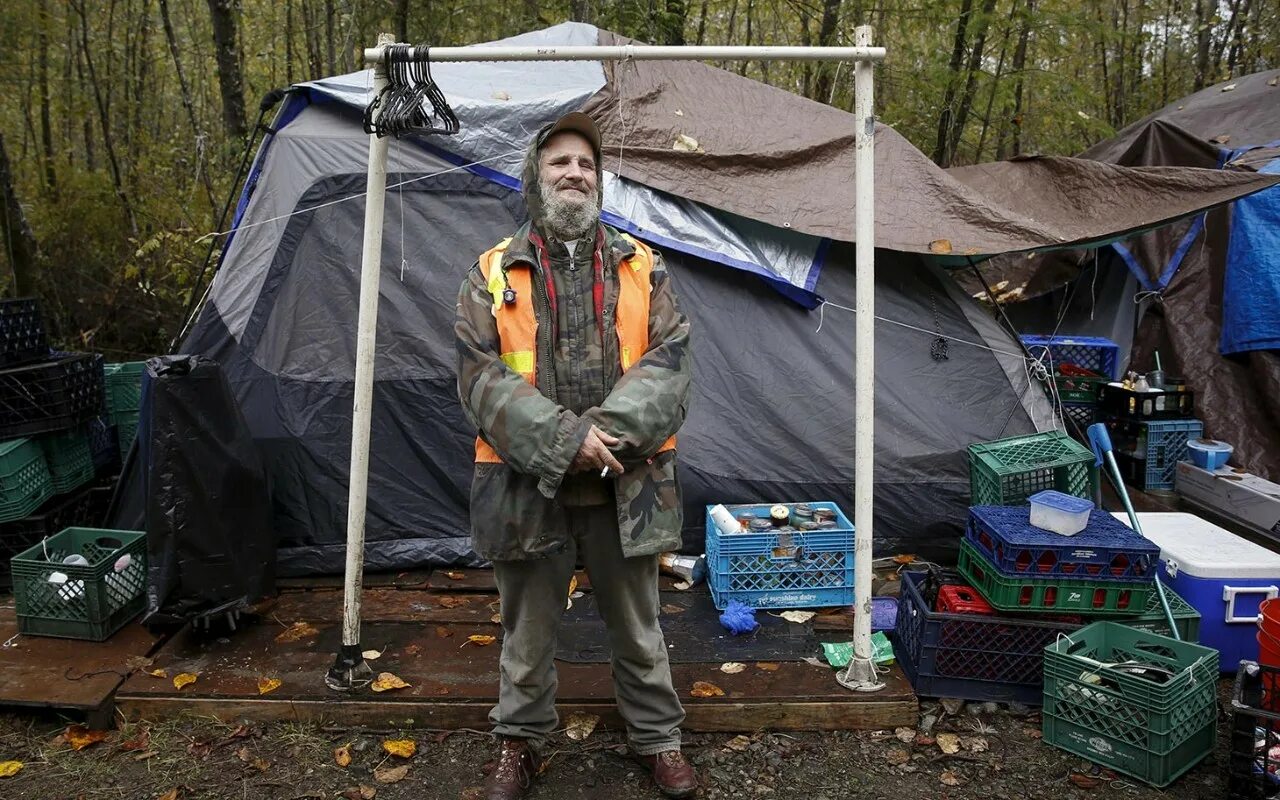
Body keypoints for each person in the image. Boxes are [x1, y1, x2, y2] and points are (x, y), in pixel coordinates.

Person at [454, 111, 697, 800]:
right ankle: (519, 741)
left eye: (586, 164)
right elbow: (479, 378)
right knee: (526, 635)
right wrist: (567, 441)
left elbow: (672, 364)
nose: (575, 173)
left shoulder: (642, 267)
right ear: (536, 176)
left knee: (640, 629)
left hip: (628, 481)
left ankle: (657, 738)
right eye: (560, 161)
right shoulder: (492, 272)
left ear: (599, 181)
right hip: (527, 486)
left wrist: (601, 436)